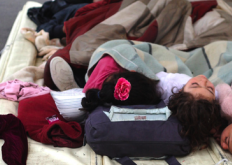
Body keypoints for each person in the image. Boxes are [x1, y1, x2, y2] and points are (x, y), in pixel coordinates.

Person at [78, 55, 222, 149]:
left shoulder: (201, 104)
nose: (204, 80)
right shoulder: (171, 84)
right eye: (196, 85)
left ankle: (79, 77)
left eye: (209, 88)